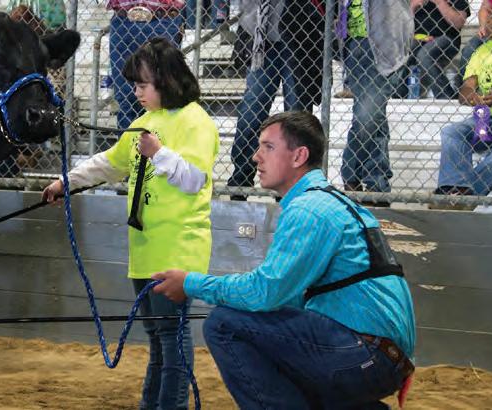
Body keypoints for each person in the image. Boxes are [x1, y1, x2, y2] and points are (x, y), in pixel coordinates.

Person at [151, 111, 416, 409]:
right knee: (263, 332)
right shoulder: (333, 202)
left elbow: (265, 292)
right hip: (382, 356)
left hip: (365, 354)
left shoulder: (309, 210)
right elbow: (284, 299)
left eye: (268, 147)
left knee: (223, 324)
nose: (256, 157)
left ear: (299, 156)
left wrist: (191, 283)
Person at [42, 38, 218, 410]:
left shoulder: (195, 120)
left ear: (166, 80)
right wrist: (65, 182)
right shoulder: (143, 123)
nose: (136, 92)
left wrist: (159, 153)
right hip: (145, 247)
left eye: (142, 84)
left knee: (171, 335)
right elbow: (110, 162)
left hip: (177, 246)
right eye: (134, 85)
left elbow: (194, 179)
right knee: (158, 337)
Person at [226, 0, 324, 200]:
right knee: (252, 111)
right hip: (261, 38)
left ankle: (292, 182)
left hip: (299, 37)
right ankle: (240, 179)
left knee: (297, 114)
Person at [337, 0, 413, 198]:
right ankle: (377, 184)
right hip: (353, 43)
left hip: (386, 42)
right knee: (373, 116)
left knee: (367, 115)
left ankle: (351, 173)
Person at [433, 16, 492, 200]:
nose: (491, 25)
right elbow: (466, 89)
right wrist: (472, 96)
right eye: (491, 20)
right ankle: (456, 189)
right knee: (452, 132)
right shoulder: (483, 51)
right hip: (489, 121)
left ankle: (457, 198)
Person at [106, 0, 185, 131]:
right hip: (123, 19)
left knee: (163, 94)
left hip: (162, 17)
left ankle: (159, 142)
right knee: (126, 98)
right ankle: (130, 143)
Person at [406, 0, 469, 99]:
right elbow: (401, 24)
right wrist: (413, 6)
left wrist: (439, 2)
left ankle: (445, 96)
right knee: (399, 50)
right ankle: (399, 95)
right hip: (417, 37)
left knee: (424, 54)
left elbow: (459, 22)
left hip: (445, 37)